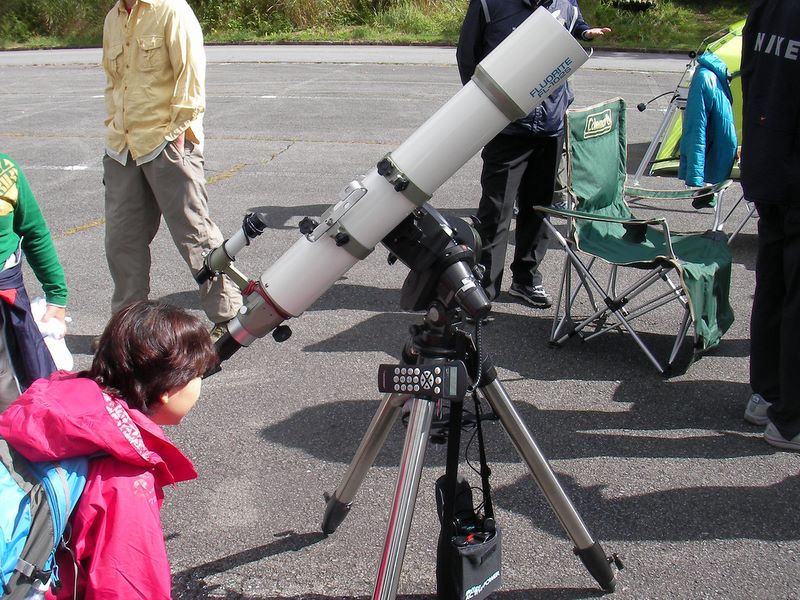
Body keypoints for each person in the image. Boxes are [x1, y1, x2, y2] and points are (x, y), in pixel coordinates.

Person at [0, 300, 218, 597]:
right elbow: (128, 587)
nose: (200, 385)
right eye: (198, 376)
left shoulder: (56, 402)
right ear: (168, 390)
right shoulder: (125, 478)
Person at [101, 0, 242, 341]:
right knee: (122, 242)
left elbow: (190, 74)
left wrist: (178, 134)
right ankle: (128, 329)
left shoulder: (171, 10)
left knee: (194, 233)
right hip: (123, 147)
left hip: (166, 142)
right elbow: (113, 83)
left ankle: (229, 318)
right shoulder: (113, 18)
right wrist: (112, 128)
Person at [456, 0, 610, 308]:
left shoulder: (565, 2)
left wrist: (584, 32)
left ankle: (526, 280)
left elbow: (574, 23)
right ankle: (484, 288)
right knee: (496, 211)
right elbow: (467, 55)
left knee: (539, 207)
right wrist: (484, 105)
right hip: (506, 126)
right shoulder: (489, 3)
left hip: (551, 125)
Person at [740, 0, 800, 450]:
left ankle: (767, 392)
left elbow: (752, 73)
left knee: (774, 281)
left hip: (768, 158)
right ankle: (791, 419)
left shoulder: (768, 5)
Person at [0, 153, 67, 412]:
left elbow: (34, 232)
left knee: (17, 397)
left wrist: (56, 295)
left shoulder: (6, 171)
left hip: (6, 305)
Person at [677, 51, 737, 188]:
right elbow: (697, 131)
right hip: (723, 150)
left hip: (720, 149)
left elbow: (696, 131)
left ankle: (704, 188)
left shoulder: (705, 77)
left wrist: (695, 176)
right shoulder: (710, 78)